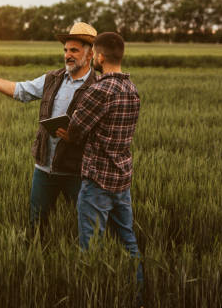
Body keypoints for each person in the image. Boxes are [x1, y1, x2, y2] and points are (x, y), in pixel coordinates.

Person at [0, 22, 97, 238]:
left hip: (77, 171)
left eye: (74, 50)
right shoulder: (52, 79)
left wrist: (77, 136)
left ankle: (83, 263)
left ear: (89, 55)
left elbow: (106, 131)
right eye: (65, 50)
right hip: (45, 167)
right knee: (36, 225)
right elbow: (20, 91)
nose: (67, 55)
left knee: (86, 227)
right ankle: (36, 257)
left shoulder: (99, 85)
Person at [56, 31, 144, 302]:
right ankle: (139, 296)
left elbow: (77, 131)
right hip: (122, 178)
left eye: (94, 54)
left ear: (100, 56)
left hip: (97, 180)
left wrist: (65, 133)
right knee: (128, 240)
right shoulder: (132, 89)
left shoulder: (98, 90)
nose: (93, 58)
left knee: (90, 246)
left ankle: (90, 297)